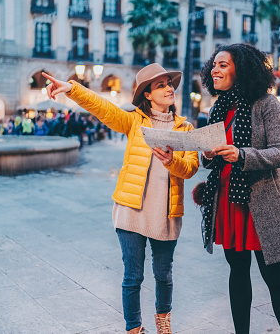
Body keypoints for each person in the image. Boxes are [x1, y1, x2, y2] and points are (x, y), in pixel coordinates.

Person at [42, 63, 199, 334]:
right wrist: (72, 89)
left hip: (165, 214)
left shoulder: (186, 129)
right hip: (131, 210)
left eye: (169, 83)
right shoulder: (134, 121)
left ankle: (163, 324)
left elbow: (190, 168)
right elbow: (104, 108)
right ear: (147, 95)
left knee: (164, 275)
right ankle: (134, 329)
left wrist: (173, 161)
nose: (169, 88)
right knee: (132, 277)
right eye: (160, 85)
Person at [199, 44, 280, 334]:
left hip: (260, 202)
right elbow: (213, 158)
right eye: (214, 65)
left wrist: (242, 155)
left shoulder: (267, 104)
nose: (214, 70)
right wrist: (208, 155)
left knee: (275, 276)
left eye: (222, 65)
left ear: (240, 69)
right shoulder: (218, 108)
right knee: (237, 271)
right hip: (228, 201)